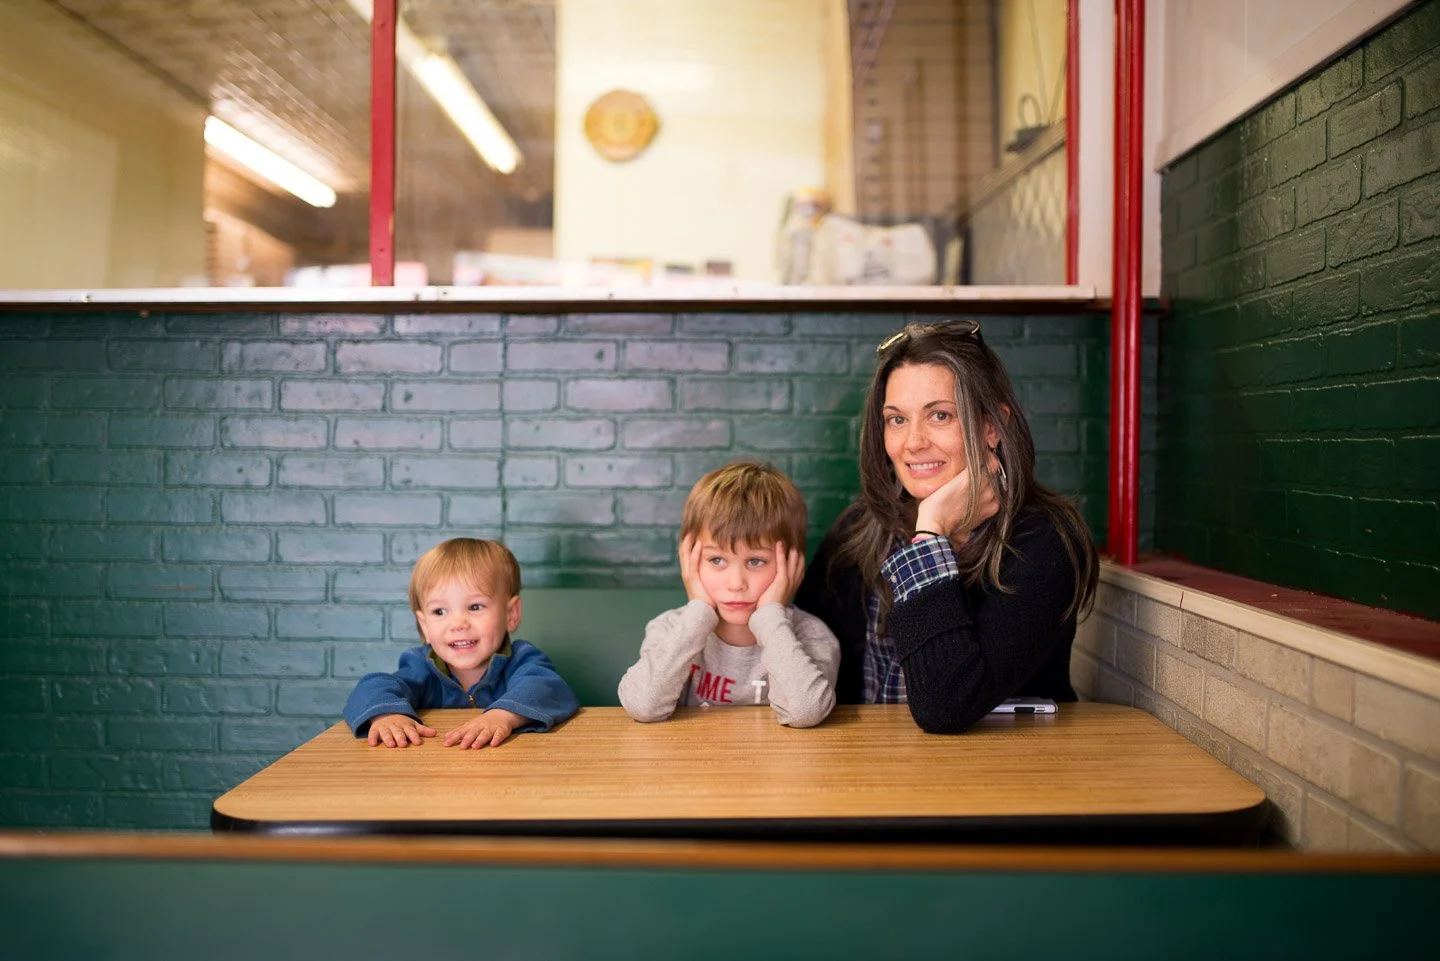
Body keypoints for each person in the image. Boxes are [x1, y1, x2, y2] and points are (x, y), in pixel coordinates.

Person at [794, 320, 1098, 733]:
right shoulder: (860, 529)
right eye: (896, 420)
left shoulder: (1044, 540)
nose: (913, 442)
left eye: (940, 415)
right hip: (865, 773)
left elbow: (947, 704)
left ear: (992, 426)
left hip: (1002, 778)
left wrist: (932, 529)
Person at [618, 461, 841, 728]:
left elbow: (806, 712)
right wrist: (699, 611)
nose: (736, 584)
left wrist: (771, 617)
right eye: (717, 560)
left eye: (756, 561)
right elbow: (643, 706)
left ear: (791, 564)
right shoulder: (669, 629)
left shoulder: (811, 636)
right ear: (690, 560)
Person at [343, 537, 579, 748]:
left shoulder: (522, 659)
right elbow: (372, 687)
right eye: (439, 611)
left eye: (475, 607)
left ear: (511, 614)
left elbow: (547, 687)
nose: (457, 623)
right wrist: (386, 716)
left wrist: (502, 716)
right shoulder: (420, 665)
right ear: (424, 625)